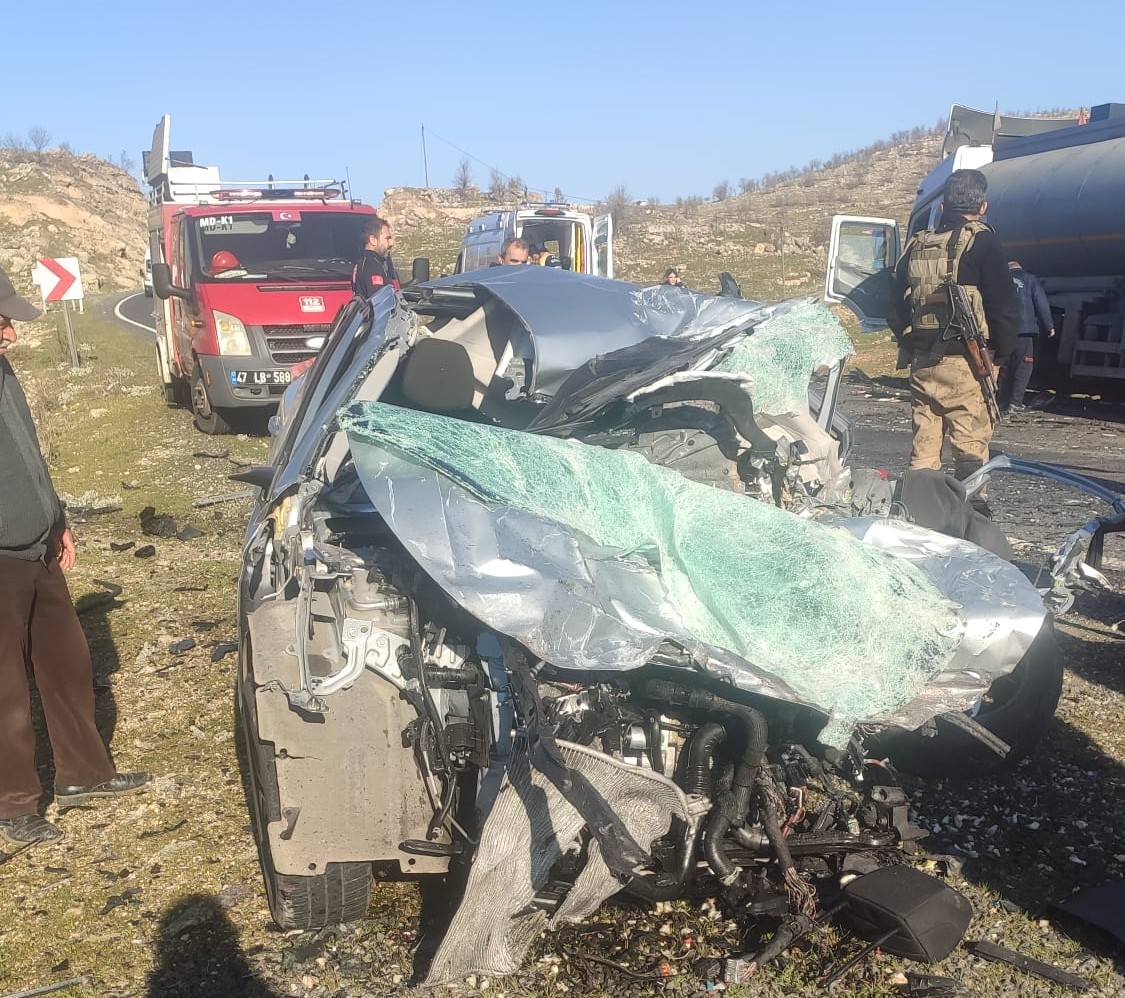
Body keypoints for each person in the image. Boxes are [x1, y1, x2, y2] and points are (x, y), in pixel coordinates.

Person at [0, 267, 150, 855]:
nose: (11, 334)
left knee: (68, 663)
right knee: (6, 689)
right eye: (2, 321)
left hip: (36, 546)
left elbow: (27, 453)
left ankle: (84, 774)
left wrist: (56, 517)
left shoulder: (3, 370)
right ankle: (14, 805)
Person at [892, 169, 1020, 480]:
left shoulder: (918, 244)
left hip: (923, 362)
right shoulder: (983, 241)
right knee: (970, 452)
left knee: (923, 453)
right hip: (968, 364)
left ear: (942, 207)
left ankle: (921, 505)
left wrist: (908, 338)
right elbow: (1004, 307)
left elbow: (893, 301)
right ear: (983, 207)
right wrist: (1000, 355)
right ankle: (972, 508)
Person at [999, 261, 1055, 414]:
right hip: (1025, 330)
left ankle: (1001, 401)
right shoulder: (1030, 279)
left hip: (1004, 331)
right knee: (1023, 367)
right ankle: (1015, 403)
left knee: (1004, 367)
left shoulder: (1000, 280)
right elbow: (1041, 302)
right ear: (1020, 268)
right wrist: (1049, 325)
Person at [352, 217, 400, 299]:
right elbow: (379, 301)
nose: (391, 243)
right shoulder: (371, 266)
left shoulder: (366, 262)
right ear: (373, 240)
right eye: (387, 238)